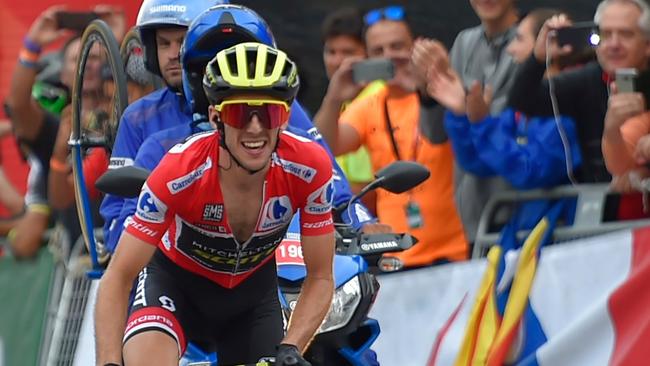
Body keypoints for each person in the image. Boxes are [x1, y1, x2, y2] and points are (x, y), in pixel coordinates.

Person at [95, 42, 329, 366]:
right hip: (174, 286)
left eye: (269, 112)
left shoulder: (310, 167)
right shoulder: (180, 170)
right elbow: (118, 277)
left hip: (251, 299)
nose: (255, 127)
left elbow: (320, 277)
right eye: (240, 113)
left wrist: (291, 347)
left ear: (286, 119)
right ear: (215, 118)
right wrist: (108, 362)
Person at [101, 3, 381, 254]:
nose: (174, 54)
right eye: (164, 44)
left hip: (277, 266)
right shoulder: (144, 125)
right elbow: (119, 222)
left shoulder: (284, 110)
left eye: (182, 41)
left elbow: (331, 183)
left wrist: (363, 222)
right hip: (179, 272)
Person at [316, 5, 468, 269]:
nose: (389, 56)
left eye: (398, 46)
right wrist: (334, 98)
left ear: (415, 46)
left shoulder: (441, 92)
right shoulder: (370, 102)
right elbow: (326, 145)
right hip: (396, 255)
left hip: (455, 252)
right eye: (378, 51)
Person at [509, 0, 650, 219]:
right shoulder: (586, 79)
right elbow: (523, 101)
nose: (613, 44)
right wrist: (538, 57)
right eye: (605, 34)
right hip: (600, 219)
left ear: (647, 43)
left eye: (626, 34)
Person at [446, 0, 520, 245]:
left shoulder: (532, 39)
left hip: (522, 203)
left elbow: (518, 116)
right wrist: (427, 95)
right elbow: (434, 133)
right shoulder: (464, 42)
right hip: (472, 213)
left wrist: (472, 111)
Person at [313, 7, 378, 213]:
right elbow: (315, 151)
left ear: (369, 55)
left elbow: (377, 192)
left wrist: (323, 193)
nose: (336, 61)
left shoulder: (380, 96)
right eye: (331, 52)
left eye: (348, 52)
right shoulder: (337, 102)